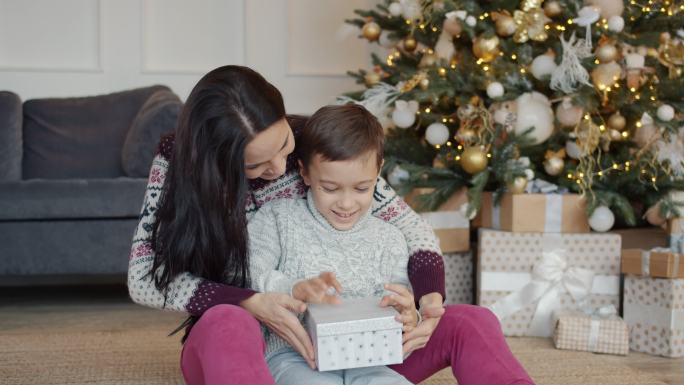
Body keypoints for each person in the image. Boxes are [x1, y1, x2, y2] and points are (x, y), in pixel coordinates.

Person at [127, 65, 534, 385]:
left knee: (471, 320)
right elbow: (145, 280)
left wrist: (426, 302)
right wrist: (248, 300)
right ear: (215, 160)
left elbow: (411, 230)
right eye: (253, 165)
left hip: (362, 350)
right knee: (227, 320)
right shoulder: (177, 161)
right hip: (261, 350)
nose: (277, 168)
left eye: (284, 147)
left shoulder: (320, 146)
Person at [248, 104, 415, 384]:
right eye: (330, 188)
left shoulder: (390, 238)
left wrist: (409, 313)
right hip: (294, 355)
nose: (347, 203)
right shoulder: (278, 218)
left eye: (362, 188)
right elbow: (247, 274)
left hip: (369, 360)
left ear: (379, 171)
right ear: (304, 173)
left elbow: (398, 301)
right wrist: (294, 288)